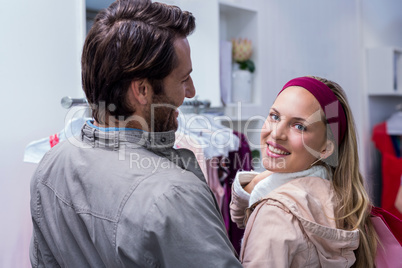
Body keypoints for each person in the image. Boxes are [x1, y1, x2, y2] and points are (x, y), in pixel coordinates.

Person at [29, 0, 242, 267]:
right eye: (183, 79)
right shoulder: (174, 195)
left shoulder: (51, 164)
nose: (192, 92)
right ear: (142, 90)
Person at [230, 76, 378, 267]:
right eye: (274, 116)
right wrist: (255, 184)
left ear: (326, 148)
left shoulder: (275, 213)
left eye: (299, 126)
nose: (276, 133)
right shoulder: (340, 198)